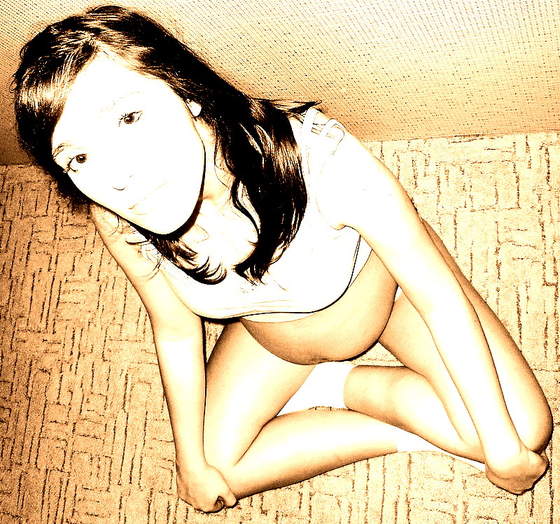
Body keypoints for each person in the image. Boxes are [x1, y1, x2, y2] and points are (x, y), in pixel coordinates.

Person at [13, 5, 552, 514]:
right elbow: (175, 330)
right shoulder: (117, 215)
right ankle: (347, 396)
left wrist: (501, 447)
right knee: (217, 473)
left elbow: (437, 297)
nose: (117, 177)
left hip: (388, 297)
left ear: (186, 92)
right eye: (77, 157)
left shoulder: (322, 159)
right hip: (273, 342)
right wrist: (190, 461)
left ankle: (351, 386)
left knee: (521, 431)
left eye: (128, 117)